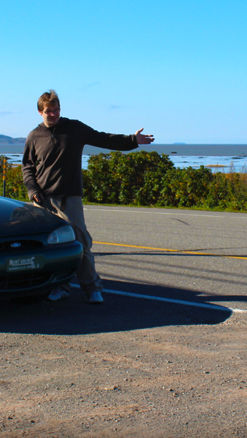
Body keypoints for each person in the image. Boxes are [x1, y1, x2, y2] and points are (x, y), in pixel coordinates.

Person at [22, 89, 154, 304]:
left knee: (81, 244)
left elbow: (102, 138)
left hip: (70, 198)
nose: (53, 114)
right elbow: (27, 166)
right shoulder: (34, 136)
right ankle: (60, 286)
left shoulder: (74, 128)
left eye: (56, 110)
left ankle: (92, 288)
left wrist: (133, 140)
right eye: (48, 111)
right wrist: (33, 190)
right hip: (43, 200)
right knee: (51, 247)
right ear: (40, 112)